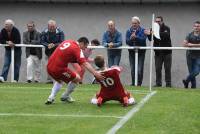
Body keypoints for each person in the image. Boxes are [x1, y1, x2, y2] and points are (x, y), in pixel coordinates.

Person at [45, 37, 104, 105]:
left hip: (49, 66)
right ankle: (65, 96)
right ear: (81, 43)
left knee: (59, 81)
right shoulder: (77, 49)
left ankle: (51, 97)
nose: (85, 48)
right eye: (85, 46)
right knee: (77, 79)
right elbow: (85, 63)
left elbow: (61, 49)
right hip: (59, 68)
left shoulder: (68, 41)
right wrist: (95, 73)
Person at [146, 16, 172, 87]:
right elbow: (150, 39)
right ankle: (158, 83)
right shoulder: (153, 29)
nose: (157, 22)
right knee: (158, 68)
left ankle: (168, 84)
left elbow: (165, 35)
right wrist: (148, 34)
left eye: (159, 21)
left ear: (162, 21)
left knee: (167, 68)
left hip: (167, 52)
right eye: (156, 21)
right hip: (158, 53)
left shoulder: (166, 28)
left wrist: (153, 32)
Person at [126, 16, 147, 86]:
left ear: (139, 23)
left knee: (139, 69)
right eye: (132, 23)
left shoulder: (143, 30)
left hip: (141, 53)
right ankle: (133, 83)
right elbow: (127, 42)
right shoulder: (128, 31)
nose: (134, 25)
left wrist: (136, 37)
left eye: (135, 23)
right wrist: (131, 39)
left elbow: (143, 40)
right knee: (132, 69)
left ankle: (139, 84)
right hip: (132, 53)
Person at [182, 21, 200, 89]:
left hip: (198, 56)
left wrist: (192, 45)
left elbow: (189, 44)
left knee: (196, 71)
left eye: (198, 26)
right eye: (195, 26)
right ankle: (193, 87)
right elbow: (184, 44)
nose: (196, 27)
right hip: (189, 55)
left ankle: (186, 81)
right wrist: (188, 44)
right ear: (193, 27)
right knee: (191, 72)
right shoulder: (189, 34)